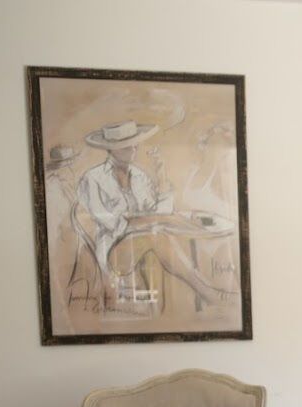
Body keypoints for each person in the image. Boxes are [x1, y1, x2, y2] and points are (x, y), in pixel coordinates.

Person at [76, 120, 229, 310]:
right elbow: (111, 222)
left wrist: (161, 176)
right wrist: (155, 220)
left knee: (160, 234)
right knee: (157, 235)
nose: (134, 148)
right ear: (111, 149)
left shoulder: (139, 176)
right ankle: (207, 292)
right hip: (113, 250)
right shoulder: (92, 178)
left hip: (144, 240)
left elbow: (160, 212)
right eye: (127, 145)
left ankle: (204, 292)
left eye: (135, 143)